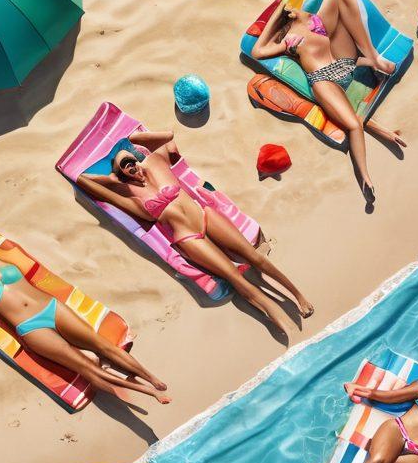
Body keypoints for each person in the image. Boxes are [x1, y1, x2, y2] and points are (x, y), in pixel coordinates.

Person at [73, 131, 314, 340]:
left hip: (205, 216)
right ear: (119, 174)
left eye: (130, 160)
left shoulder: (156, 162)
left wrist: (130, 140)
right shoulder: (129, 197)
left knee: (253, 257)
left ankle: (297, 295)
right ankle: (278, 319)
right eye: (123, 166)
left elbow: (167, 135)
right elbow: (84, 180)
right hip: (188, 238)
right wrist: (113, 177)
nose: (129, 165)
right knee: (234, 276)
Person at [0, 236, 170, 407]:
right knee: (87, 368)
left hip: (53, 308)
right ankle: (148, 392)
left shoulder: (1, 267)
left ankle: (151, 378)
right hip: (32, 328)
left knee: (102, 346)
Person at [251, 0, 406, 204]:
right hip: (323, 80)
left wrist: (287, 6)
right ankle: (365, 177)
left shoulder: (311, 19)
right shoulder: (288, 40)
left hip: (345, 64)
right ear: (286, 15)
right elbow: (257, 50)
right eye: (289, 7)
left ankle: (373, 57)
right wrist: (276, 12)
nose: (294, 7)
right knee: (353, 124)